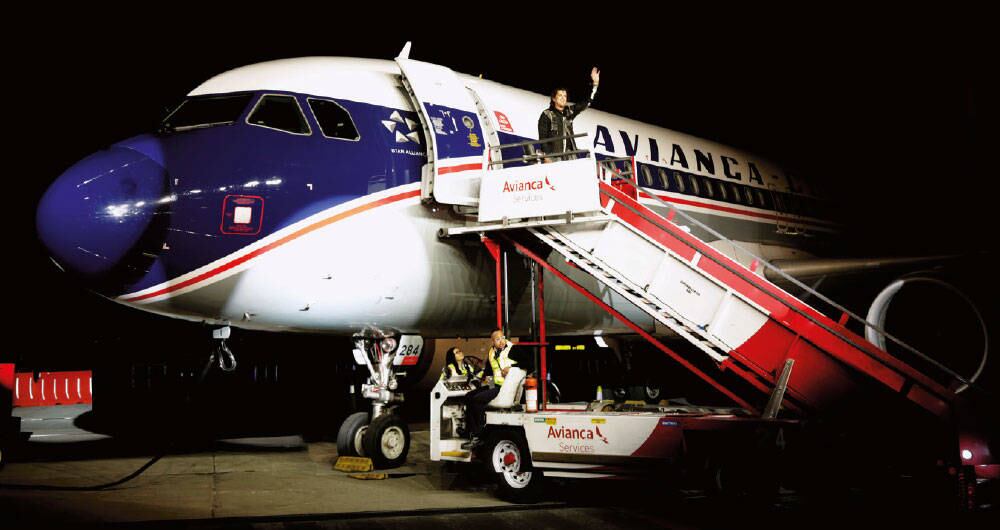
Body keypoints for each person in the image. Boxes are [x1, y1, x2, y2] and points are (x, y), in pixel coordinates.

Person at [462, 330, 518, 447]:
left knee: (477, 400)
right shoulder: (492, 352)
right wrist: (488, 387)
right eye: (498, 339)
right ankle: (469, 431)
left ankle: (479, 435)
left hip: (505, 387)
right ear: (492, 341)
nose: (501, 341)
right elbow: (489, 372)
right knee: (468, 397)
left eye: (502, 338)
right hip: (495, 386)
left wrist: (511, 368)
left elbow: (527, 363)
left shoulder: (512, 349)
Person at [537, 67, 600, 162]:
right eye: (560, 95)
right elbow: (543, 138)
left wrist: (595, 84)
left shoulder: (569, 112)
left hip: (570, 157)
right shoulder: (546, 114)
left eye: (565, 96)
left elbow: (586, 103)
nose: (563, 98)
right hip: (554, 157)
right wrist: (546, 157)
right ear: (554, 99)